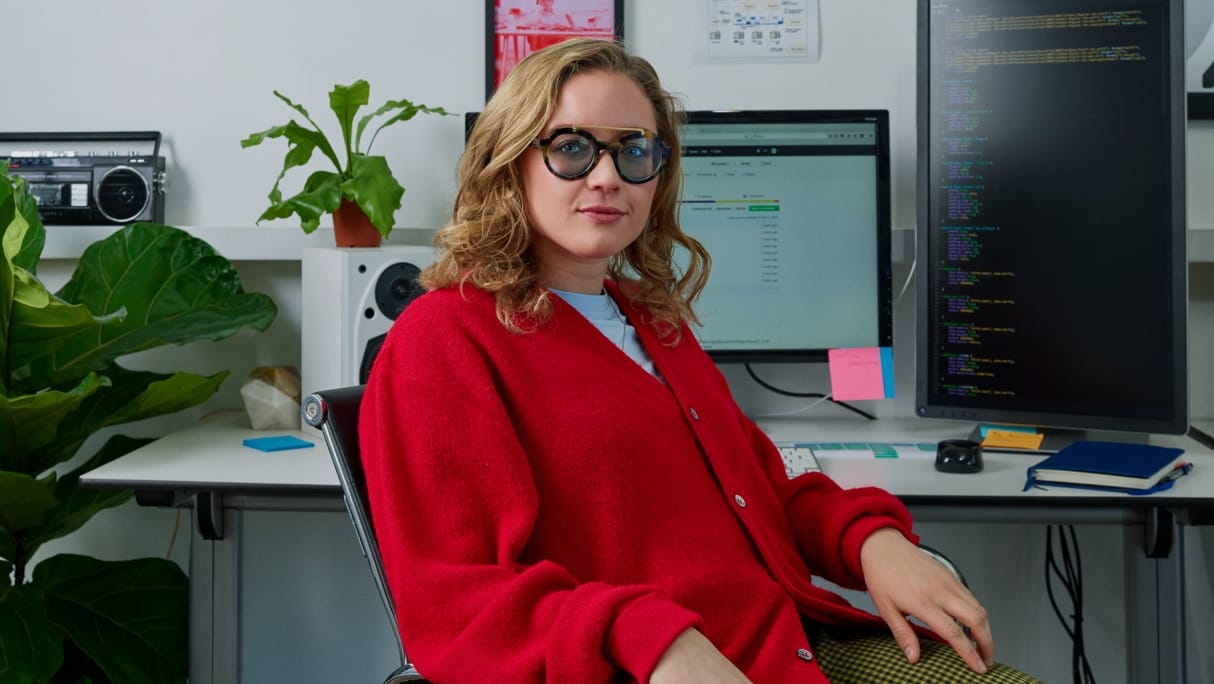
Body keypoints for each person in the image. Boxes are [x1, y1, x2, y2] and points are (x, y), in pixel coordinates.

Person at [360, 37, 1038, 683]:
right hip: (649, 667)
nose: (606, 176)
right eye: (571, 149)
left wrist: (870, 543)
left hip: (784, 642)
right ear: (512, 162)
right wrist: (649, 638)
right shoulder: (445, 337)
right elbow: (455, 605)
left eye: (634, 152)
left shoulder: (653, 323)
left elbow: (762, 491)